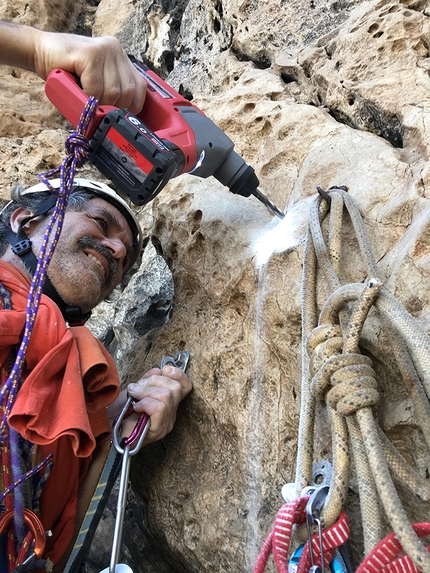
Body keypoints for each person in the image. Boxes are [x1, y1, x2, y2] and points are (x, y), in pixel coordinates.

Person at [0, 21, 192, 572]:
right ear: (24, 219)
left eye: (126, 259)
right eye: (101, 222)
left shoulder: (76, 388)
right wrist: (38, 49)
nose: (114, 249)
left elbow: (52, 546)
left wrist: (124, 434)